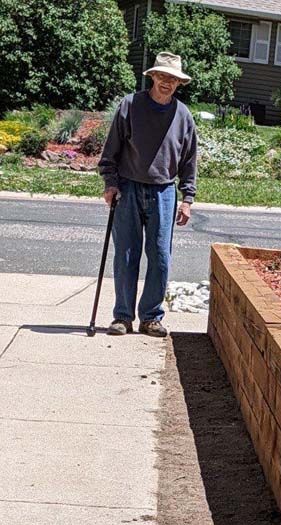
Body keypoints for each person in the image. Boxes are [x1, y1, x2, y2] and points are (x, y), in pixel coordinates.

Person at [98, 51, 197, 337]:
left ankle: (151, 317)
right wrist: (110, 183)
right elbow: (111, 151)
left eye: (173, 79)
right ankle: (123, 316)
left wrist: (187, 198)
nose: (167, 82)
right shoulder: (130, 105)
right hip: (128, 188)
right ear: (153, 76)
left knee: (160, 256)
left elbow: (190, 161)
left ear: (179, 83)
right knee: (126, 255)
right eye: (162, 76)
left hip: (165, 191)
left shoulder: (183, 115)